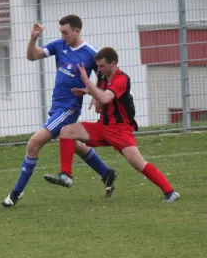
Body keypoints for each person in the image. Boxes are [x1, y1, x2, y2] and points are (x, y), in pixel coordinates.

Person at [2, 15, 117, 208]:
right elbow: (32, 56)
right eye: (61, 33)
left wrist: (97, 97)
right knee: (75, 144)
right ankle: (106, 173)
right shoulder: (59, 45)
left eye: (66, 32)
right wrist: (33, 38)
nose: (62, 36)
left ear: (77, 31)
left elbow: (105, 77)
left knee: (33, 144)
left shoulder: (91, 54)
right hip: (57, 106)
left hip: (69, 108)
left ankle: (16, 192)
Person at [44, 47, 180, 203]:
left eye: (102, 66)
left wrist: (88, 84)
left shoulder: (121, 79)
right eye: (98, 66)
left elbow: (105, 98)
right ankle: (66, 175)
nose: (99, 69)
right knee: (67, 131)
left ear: (113, 63)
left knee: (138, 163)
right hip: (102, 126)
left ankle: (170, 193)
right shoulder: (103, 76)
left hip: (120, 130)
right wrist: (88, 92)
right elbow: (99, 104)